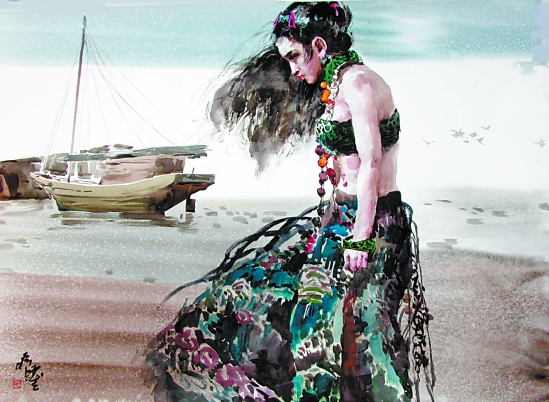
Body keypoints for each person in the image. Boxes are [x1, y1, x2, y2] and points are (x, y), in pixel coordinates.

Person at [145, 2, 434, 401]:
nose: (294, 68)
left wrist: (362, 238)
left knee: (350, 336)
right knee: (293, 312)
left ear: (320, 46)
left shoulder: (359, 84)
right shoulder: (337, 84)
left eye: (296, 56)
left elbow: (371, 163)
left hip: (372, 225)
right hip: (341, 218)